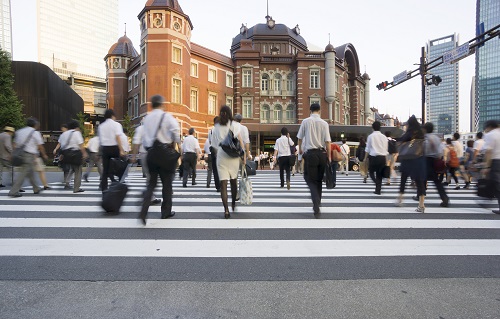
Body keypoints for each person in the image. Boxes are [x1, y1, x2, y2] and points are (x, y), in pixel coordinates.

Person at [139, 94, 181, 224]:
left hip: (151, 153)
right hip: (164, 154)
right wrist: (179, 147)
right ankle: (165, 212)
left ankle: (144, 209)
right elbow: (176, 131)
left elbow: (144, 137)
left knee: (151, 183)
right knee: (167, 184)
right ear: (161, 104)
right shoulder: (166, 116)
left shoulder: (147, 119)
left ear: (151, 104)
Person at [210, 105, 245, 219]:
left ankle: (226, 210)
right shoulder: (234, 125)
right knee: (233, 181)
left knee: (223, 184)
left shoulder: (216, 127)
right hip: (233, 157)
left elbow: (214, 146)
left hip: (221, 156)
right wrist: (243, 155)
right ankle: (233, 204)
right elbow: (239, 140)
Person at [297, 103, 331, 216]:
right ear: (320, 111)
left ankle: (316, 203)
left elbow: (300, 138)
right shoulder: (324, 123)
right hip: (322, 153)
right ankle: (318, 201)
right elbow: (328, 142)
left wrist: (300, 152)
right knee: (319, 180)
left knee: (310, 179)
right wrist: (329, 157)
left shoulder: (305, 121)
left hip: (310, 154)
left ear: (310, 110)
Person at [8, 118, 48, 197]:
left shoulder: (20, 131)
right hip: (29, 155)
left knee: (30, 172)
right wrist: (44, 155)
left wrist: (12, 154)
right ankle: (13, 191)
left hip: (20, 154)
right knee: (24, 173)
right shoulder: (35, 133)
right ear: (35, 125)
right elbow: (40, 146)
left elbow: (15, 144)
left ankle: (36, 188)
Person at [395, 116, 426, 212]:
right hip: (418, 159)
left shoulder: (409, 133)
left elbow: (400, 140)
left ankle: (400, 199)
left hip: (408, 159)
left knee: (403, 179)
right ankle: (421, 204)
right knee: (419, 182)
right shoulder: (421, 133)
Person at [131, 121, 161, 205]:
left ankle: (150, 195)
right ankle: (148, 195)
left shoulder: (140, 129)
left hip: (144, 154)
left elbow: (136, 143)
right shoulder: (153, 130)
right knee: (152, 177)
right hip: (153, 155)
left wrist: (134, 156)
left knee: (149, 176)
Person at [422, 122, 449, 207]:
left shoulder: (425, 138)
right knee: (435, 181)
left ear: (425, 129)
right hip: (435, 160)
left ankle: (421, 195)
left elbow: (423, 150)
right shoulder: (437, 138)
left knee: (422, 178)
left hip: (427, 160)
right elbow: (441, 151)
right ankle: (444, 197)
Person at [98, 109, 125, 192]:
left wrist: (99, 152)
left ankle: (104, 188)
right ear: (113, 115)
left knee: (105, 170)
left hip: (105, 148)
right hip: (114, 148)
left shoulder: (101, 126)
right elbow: (118, 137)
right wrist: (121, 149)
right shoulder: (116, 124)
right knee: (119, 166)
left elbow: (100, 140)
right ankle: (118, 183)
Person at [58, 120, 88, 193]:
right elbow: (80, 144)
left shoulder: (64, 134)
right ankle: (76, 188)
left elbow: (62, 145)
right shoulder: (77, 133)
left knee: (69, 169)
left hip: (65, 154)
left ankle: (67, 182)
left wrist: (61, 155)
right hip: (75, 154)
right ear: (77, 127)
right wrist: (84, 153)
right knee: (78, 170)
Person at [366, 121, 388, 195]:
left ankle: (376, 183)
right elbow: (386, 149)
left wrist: (365, 158)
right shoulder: (384, 137)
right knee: (379, 174)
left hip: (374, 157)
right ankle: (378, 190)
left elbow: (368, 149)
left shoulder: (370, 136)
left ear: (372, 128)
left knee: (371, 172)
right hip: (382, 157)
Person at [482, 120, 500, 214]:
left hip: (495, 162)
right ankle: (487, 198)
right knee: (495, 183)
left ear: (489, 126)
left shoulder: (490, 135)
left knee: (497, 184)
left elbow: (488, 152)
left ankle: (487, 198)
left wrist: (487, 167)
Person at [207, 116, 221, 191]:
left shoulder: (211, 131)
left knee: (215, 169)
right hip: (222, 151)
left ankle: (218, 186)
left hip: (214, 151)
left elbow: (210, 142)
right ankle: (222, 184)